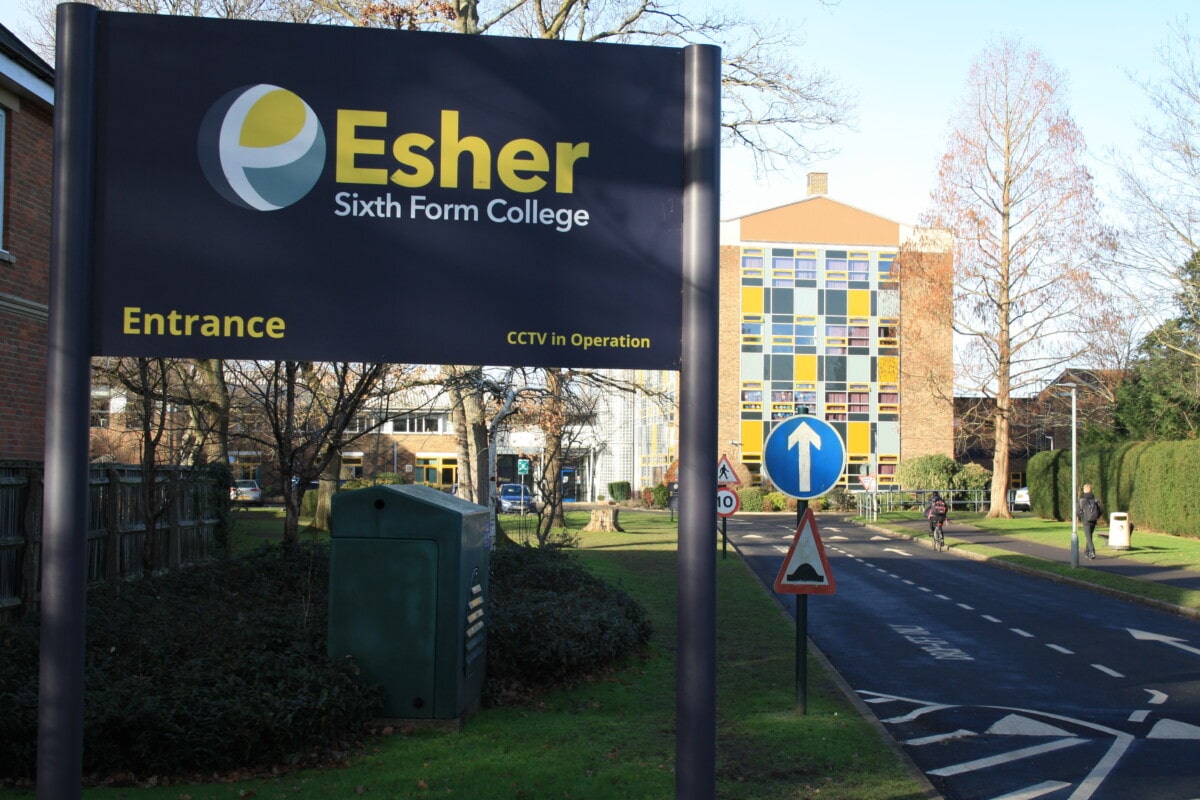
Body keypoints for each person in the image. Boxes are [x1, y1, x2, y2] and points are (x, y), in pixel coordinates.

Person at [1077, 484, 1104, 559]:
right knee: (1089, 536)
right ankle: (1086, 552)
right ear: (1091, 490)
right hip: (1093, 520)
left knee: (1088, 537)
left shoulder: (1081, 500)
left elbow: (1077, 511)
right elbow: (1101, 509)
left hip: (1086, 520)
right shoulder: (1095, 499)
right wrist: (1097, 516)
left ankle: (1092, 552)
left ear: (1084, 490)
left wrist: (1080, 517)